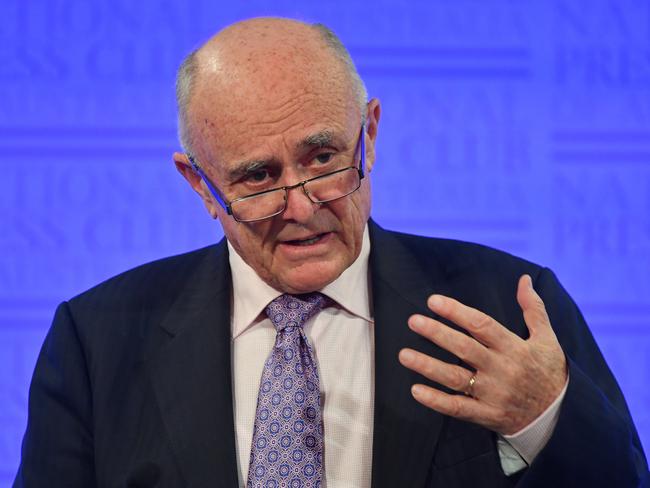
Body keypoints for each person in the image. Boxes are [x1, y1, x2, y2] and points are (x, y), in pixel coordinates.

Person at [13, 17, 648, 488]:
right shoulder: (97, 341)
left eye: (324, 158)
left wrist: (546, 417)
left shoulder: (508, 302)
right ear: (200, 185)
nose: (302, 205)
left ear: (368, 132)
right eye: (258, 177)